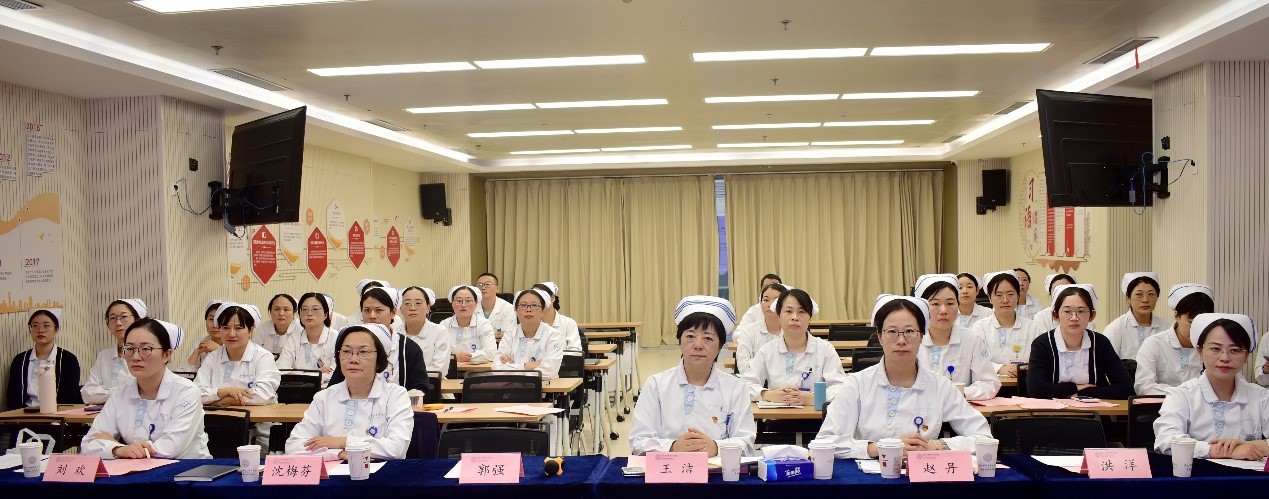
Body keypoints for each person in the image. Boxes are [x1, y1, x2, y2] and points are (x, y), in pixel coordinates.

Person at [815, 295, 992, 459]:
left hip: (921, 475)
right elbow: (824, 442)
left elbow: (983, 437)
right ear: (880, 337)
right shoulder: (857, 384)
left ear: (921, 336)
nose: (901, 341)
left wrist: (936, 445)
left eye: (909, 331)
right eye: (892, 332)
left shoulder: (940, 386)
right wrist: (878, 448)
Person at [630, 296, 756, 456]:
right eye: (690, 336)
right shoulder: (656, 385)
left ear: (720, 346)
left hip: (717, 470)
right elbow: (638, 441)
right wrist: (672, 447)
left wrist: (716, 448)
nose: (698, 345)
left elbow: (746, 443)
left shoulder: (735, 388)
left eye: (708, 338)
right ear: (679, 341)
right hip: (668, 469)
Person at [81, 318, 210, 459]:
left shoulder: (186, 392)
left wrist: (116, 446)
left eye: (146, 349)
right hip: (136, 468)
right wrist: (119, 449)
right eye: (129, 349)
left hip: (189, 470)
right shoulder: (121, 393)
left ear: (166, 355)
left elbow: (171, 448)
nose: (136, 357)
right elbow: (88, 444)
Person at [285, 326, 414, 460]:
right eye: (346, 351)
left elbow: (396, 449)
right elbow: (293, 445)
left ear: (379, 359)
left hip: (381, 472)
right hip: (333, 470)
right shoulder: (324, 397)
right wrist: (337, 453)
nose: (353, 359)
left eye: (363, 352)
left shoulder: (395, 395)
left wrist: (342, 442)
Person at [1154, 314, 1269, 460]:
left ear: (1246, 356)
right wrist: (1223, 451)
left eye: (1234, 350)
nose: (1225, 358)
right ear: (1200, 352)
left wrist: (1254, 446)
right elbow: (1166, 440)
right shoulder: (1182, 395)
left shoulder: (1261, 396)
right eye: (1215, 349)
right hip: (1198, 474)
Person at [195, 302, 281, 447]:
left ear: (250, 330)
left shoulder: (263, 357)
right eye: (225, 328)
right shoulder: (213, 357)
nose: (231, 334)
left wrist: (223, 401)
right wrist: (223, 392)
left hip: (257, 433)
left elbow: (263, 395)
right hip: (213, 429)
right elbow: (195, 393)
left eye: (238, 328)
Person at [742, 288, 847, 404]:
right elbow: (746, 384)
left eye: (801, 312)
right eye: (788, 311)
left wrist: (814, 398)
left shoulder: (825, 349)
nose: (795, 317)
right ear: (779, 315)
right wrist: (768, 394)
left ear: (810, 317)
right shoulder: (767, 351)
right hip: (776, 414)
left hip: (815, 415)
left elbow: (841, 387)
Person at [1027, 284, 1133, 399]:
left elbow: (1126, 388)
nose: (1074, 318)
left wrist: (1083, 393)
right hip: (1052, 410)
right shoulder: (1042, 344)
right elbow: (1036, 390)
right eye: (1067, 311)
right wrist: (1076, 388)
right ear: (1056, 315)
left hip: (1095, 409)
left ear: (1092, 315)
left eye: (1081, 311)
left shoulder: (1100, 343)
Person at [914, 274, 1000, 400]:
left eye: (950, 303)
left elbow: (990, 383)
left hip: (958, 408)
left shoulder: (971, 339)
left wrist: (961, 393)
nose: (944, 310)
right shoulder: (910, 339)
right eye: (935, 304)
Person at [328, 288, 431, 392]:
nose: (372, 316)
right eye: (367, 310)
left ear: (393, 313)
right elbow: (333, 388)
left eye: (379, 310)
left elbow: (420, 391)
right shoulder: (351, 345)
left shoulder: (409, 348)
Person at [1134, 284, 1214, 395]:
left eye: (1203, 323)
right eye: (1191, 322)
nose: (1197, 329)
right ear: (1177, 316)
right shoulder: (1154, 344)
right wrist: (1181, 394)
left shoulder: (1214, 347)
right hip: (1162, 404)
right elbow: (1143, 386)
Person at [7, 308, 82, 410]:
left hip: (57, 415)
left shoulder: (68, 360)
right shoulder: (20, 360)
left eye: (46, 325)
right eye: (35, 325)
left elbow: (69, 398)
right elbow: (12, 397)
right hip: (24, 415)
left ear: (56, 329)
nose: (40, 330)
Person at [969, 271, 1040, 376]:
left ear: (1018, 296)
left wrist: (1027, 368)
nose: (1005, 300)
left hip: (1025, 382)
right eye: (999, 295)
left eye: (1010, 294)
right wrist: (1000, 368)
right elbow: (976, 360)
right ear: (989, 298)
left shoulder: (1032, 327)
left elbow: (1040, 359)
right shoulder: (980, 327)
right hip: (991, 382)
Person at [82, 299, 148, 404]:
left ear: (137, 321)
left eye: (124, 317)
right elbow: (87, 394)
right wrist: (122, 392)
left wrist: (104, 392)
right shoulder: (103, 356)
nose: (118, 323)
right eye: (112, 318)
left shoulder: (147, 353)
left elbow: (144, 392)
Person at [496, 289, 565, 380]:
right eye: (523, 305)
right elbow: (497, 368)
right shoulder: (510, 335)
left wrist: (513, 366)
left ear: (542, 311)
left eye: (534, 305)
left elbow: (549, 372)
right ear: (516, 310)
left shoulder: (553, 335)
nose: (528, 309)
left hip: (544, 387)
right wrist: (527, 366)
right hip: (512, 387)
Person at [1104, 272, 1170, 360]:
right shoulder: (1116, 328)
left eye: (1151, 294)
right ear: (1128, 298)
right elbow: (1106, 363)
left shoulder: (1166, 327)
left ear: (1157, 297)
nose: (1145, 300)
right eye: (1139, 294)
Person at [277, 293, 337, 385]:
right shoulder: (294, 339)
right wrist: (316, 373)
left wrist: (298, 374)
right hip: (297, 389)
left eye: (315, 309)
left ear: (325, 314)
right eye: (304, 309)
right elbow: (281, 369)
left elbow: (335, 372)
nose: (309, 313)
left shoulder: (336, 338)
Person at [733, 283, 789, 374]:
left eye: (776, 300)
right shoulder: (748, 331)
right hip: (753, 381)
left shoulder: (792, 331)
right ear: (760, 303)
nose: (770, 304)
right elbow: (743, 366)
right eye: (766, 300)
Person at [400, 286, 451, 378]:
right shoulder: (393, 332)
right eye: (407, 303)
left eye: (418, 303)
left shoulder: (439, 332)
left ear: (428, 308)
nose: (412, 308)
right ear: (400, 309)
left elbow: (439, 370)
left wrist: (406, 373)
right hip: (398, 385)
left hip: (431, 384)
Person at [440, 285, 498, 364]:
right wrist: (455, 357)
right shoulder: (444, 325)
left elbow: (491, 353)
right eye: (459, 301)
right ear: (452, 303)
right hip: (450, 370)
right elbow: (438, 353)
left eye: (468, 301)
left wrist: (466, 357)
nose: (463, 305)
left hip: (477, 370)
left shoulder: (484, 324)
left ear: (476, 303)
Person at [533, 282, 584, 352]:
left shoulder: (568, 323)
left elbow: (575, 352)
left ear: (552, 298)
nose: (536, 301)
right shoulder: (529, 323)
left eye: (541, 296)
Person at [185, 300, 224, 369]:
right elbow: (183, 373)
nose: (215, 325)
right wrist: (197, 352)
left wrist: (218, 350)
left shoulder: (236, 343)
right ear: (206, 320)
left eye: (220, 320)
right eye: (211, 319)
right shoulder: (201, 342)